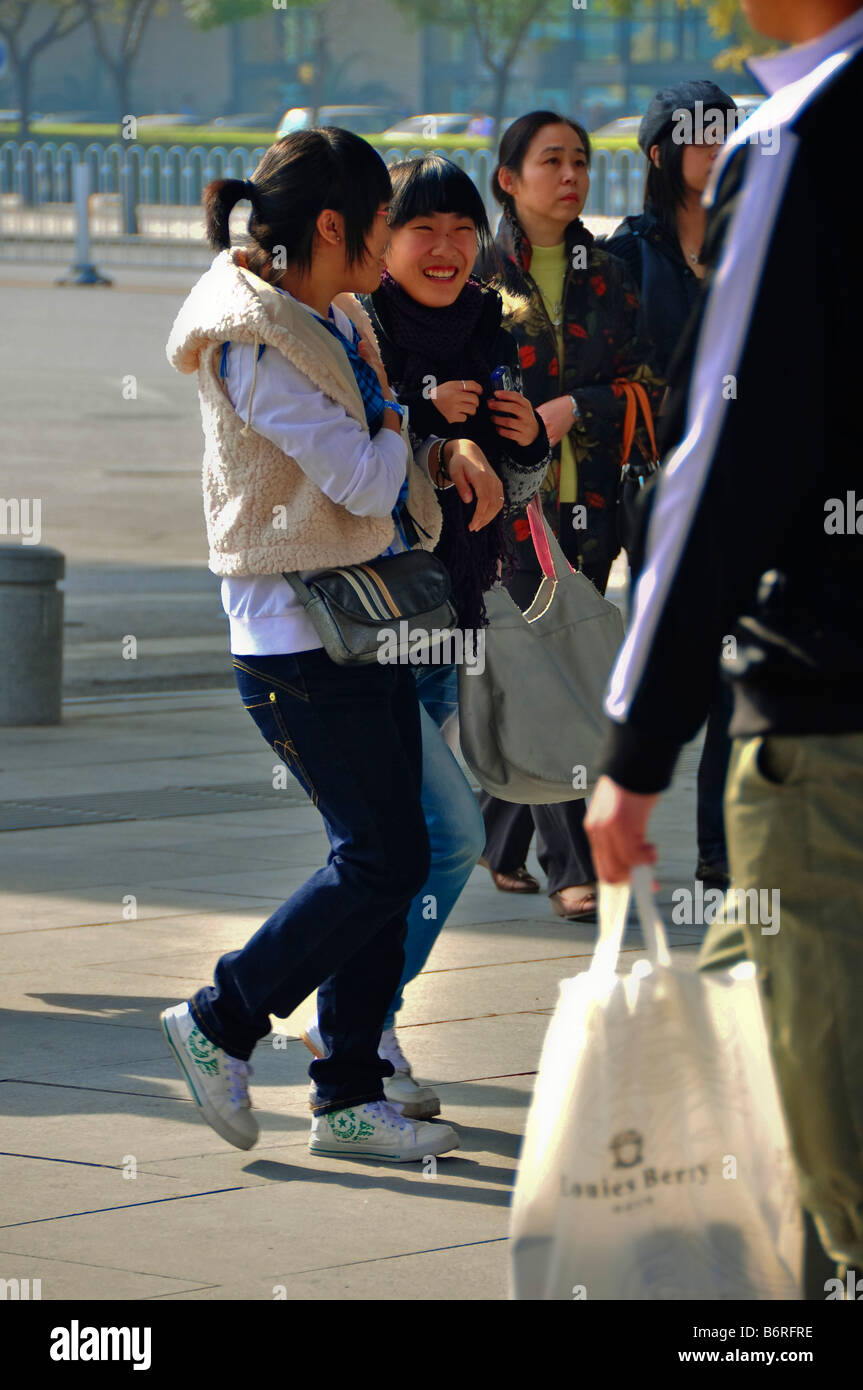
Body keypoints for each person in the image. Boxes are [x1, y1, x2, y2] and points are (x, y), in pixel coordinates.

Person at [585, 0, 863, 1287]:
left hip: (828, 729)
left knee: (818, 1170)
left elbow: (723, 455)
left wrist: (636, 741)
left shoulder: (805, 130)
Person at [162, 127, 477, 1162]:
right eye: (388, 220)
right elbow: (359, 478)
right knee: (380, 856)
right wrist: (400, 426)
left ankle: (347, 1089)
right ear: (334, 225)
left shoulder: (326, 312)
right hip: (296, 642)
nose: (392, 242)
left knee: (404, 851)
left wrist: (405, 428)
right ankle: (220, 1019)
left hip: (359, 619)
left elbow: (377, 453)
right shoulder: (254, 339)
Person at [299, 154, 550, 1107]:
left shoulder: (492, 320)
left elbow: (513, 490)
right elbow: (348, 465)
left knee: (412, 843)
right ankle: (349, 1038)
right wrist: (418, 418)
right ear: (381, 239)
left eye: (460, 228)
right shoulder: (360, 326)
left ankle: (371, 1025)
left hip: (454, 611)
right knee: (419, 840)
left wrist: (522, 438)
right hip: (370, 620)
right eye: (420, 229)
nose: (445, 249)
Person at [476, 109, 664, 922]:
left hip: (588, 505)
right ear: (508, 180)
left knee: (555, 660)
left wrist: (567, 409)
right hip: (505, 506)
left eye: (580, 161)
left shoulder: (609, 273)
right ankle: (571, 867)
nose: (570, 175)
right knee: (551, 671)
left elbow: (646, 384)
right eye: (550, 161)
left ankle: (495, 839)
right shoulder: (476, 275)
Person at [604, 81, 738, 891]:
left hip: (739, 488)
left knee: (732, 677)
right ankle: (523, 832)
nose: (718, 146)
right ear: (659, 153)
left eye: (728, 131)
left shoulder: (750, 238)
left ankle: (721, 856)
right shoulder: (626, 253)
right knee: (643, 668)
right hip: (653, 492)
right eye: (700, 135)